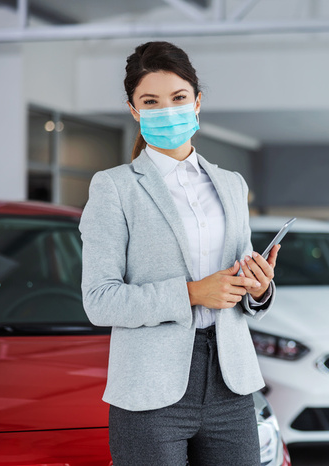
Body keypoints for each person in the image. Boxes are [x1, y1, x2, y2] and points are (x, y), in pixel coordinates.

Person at [78, 41, 280, 466]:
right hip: (151, 390)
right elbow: (100, 300)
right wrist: (191, 293)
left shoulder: (231, 184)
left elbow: (238, 286)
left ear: (197, 101)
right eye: (150, 101)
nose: (166, 110)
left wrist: (258, 289)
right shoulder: (114, 187)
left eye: (178, 98)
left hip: (231, 383)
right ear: (134, 109)